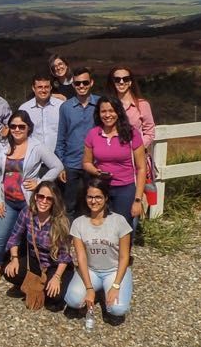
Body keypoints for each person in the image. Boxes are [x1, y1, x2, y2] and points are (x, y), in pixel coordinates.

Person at [0, 111, 62, 288]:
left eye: (21, 126)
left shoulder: (37, 146)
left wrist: (40, 182)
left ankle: (29, 269)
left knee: (29, 237)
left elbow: (57, 166)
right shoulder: (1, 146)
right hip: (8, 201)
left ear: (28, 128)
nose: (17, 129)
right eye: (13, 126)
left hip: (29, 202)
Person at [64, 179, 133, 321]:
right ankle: (96, 289)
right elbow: (81, 257)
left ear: (106, 198)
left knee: (117, 309)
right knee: (73, 301)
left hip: (113, 270)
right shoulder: (78, 223)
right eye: (90, 197)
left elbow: (124, 257)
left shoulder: (119, 221)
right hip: (91, 270)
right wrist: (89, 288)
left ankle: (107, 290)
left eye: (98, 197)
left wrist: (116, 285)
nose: (93, 201)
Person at [2, 181, 73, 310]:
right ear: (35, 196)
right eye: (41, 196)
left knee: (54, 298)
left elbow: (64, 256)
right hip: (35, 261)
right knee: (9, 271)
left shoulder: (61, 221)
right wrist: (14, 258)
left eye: (49, 198)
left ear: (54, 201)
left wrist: (57, 277)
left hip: (54, 264)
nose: (44, 201)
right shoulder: (27, 212)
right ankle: (28, 285)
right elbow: (14, 237)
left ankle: (42, 287)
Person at [83, 97, 146, 233]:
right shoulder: (93, 134)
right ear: (98, 114)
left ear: (118, 112)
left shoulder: (131, 134)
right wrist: (98, 172)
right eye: (103, 111)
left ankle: (124, 254)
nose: (107, 115)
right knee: (102, 225)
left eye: (111, 111)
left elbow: (141, 168)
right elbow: (86, 163)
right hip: (101, 187)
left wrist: (137, 199)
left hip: (125, 188)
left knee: (124, 228)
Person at [55, 67, 99, 219]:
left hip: (94, 163)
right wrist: (61, 165)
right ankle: (68, 239)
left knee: (93, 203)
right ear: (73, 84)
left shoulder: (100, 104)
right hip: (71, 163)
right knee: (69, 205)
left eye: (85, 82)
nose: (81, 86)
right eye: (77, 83)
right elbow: (61, 138)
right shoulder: (66, 108)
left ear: (91, 82)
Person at [107, 66, 156, 151]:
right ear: (113, 82)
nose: (121, 82)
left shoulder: (142, 105)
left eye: (125, 79)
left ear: (130, 82)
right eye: (117, 79)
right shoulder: (108, 105)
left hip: (136, 157)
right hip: (113, 155)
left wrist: (137, 149)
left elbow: (149, 132)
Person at [19, 74, 60, 152]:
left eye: (46, 87)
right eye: (40, 87)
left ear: (51, 88)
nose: (43, 90)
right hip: (33, 157)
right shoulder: (24, 109)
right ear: (33, 88)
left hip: (57, 157)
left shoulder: (61, 107)